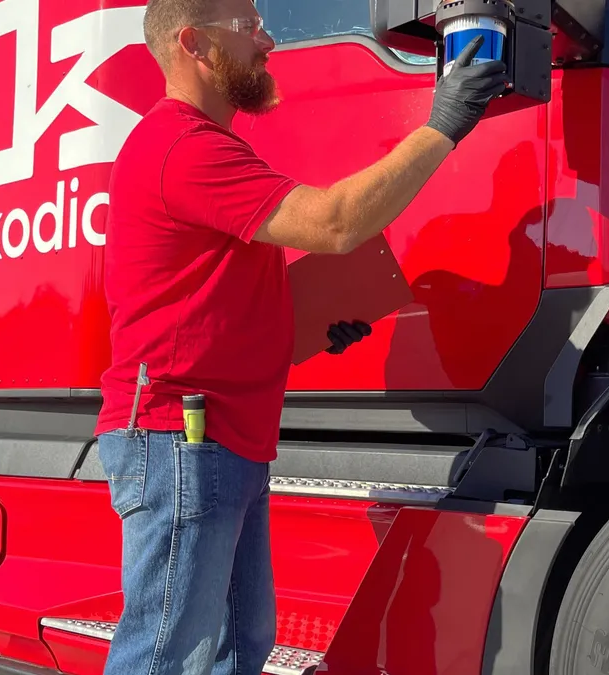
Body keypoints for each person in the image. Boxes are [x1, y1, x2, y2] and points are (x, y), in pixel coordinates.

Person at [93, 0, 508, 672]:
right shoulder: (183, 146)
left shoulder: (204, 147)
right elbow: (336, 222)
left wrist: (306, 326)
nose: (268, 39)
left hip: (218, 439)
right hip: (182, 439)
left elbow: (202, 310)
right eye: (249, 24)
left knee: (235, 649)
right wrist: (444, 123)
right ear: (195, 43)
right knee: (166, 656)